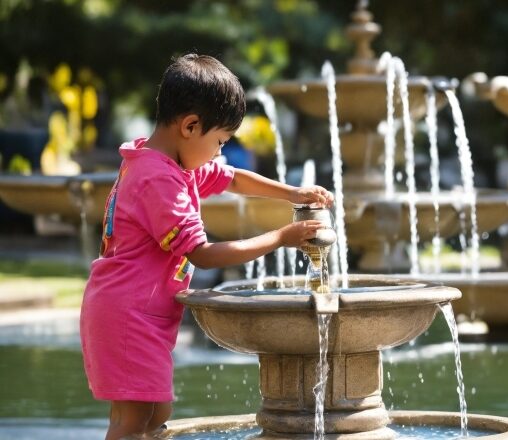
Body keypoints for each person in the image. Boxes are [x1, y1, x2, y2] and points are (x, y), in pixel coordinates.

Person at [79, 53, 333, 440]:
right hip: (127, 316)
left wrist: (292, 193)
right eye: (219, 141)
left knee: (155, 413)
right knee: (131, 422)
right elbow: (203, 253)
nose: (219, 153)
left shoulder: (170, 163)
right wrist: (281, 238)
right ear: (190, 126)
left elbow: (232, 178)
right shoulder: (159, 180)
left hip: (138, 313)